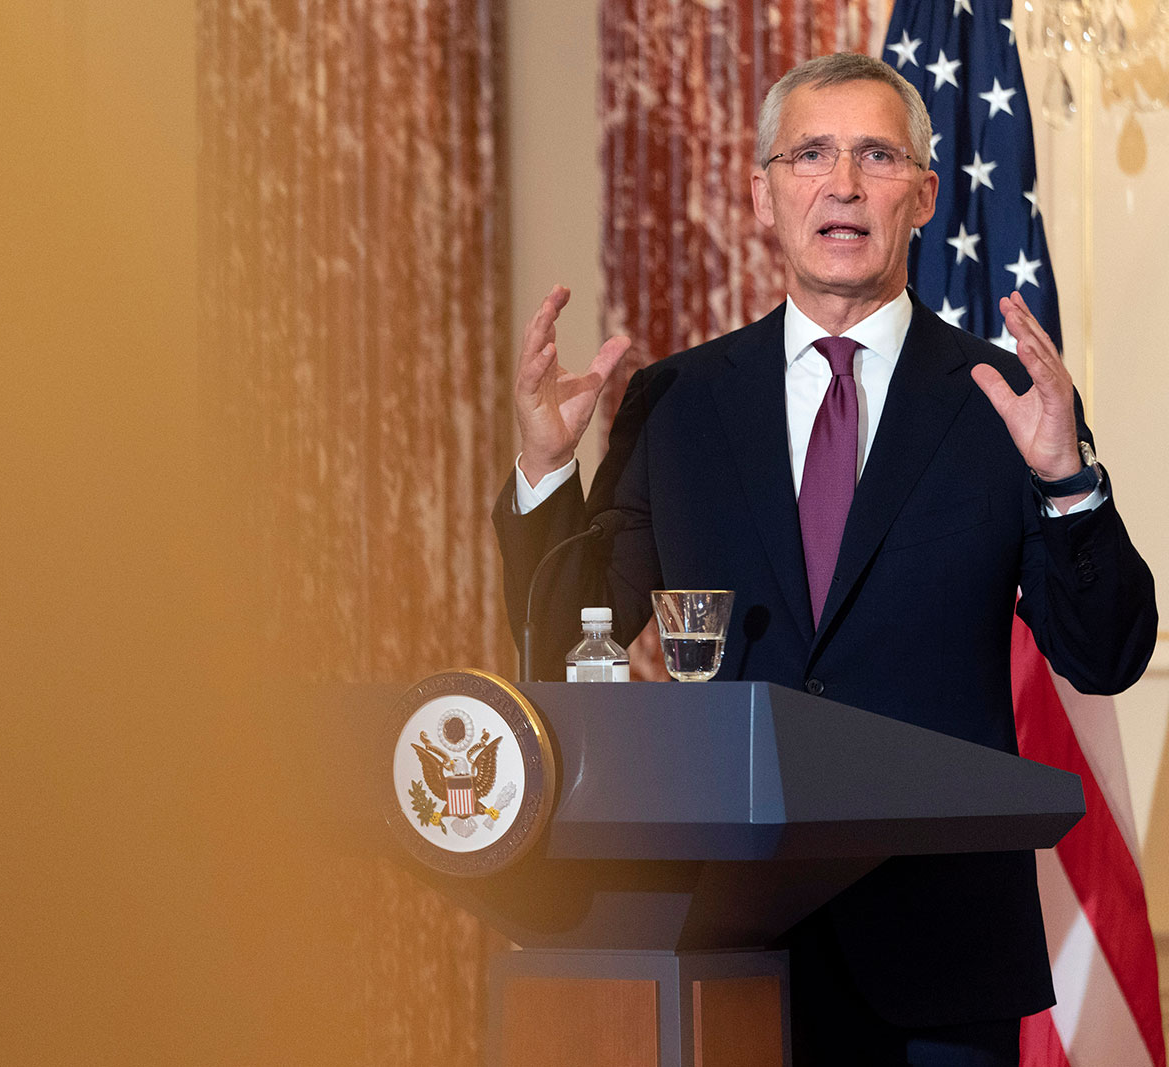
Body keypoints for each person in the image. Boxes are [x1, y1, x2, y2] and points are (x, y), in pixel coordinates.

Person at [492, 52, 1157, 1065]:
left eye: (876, 154)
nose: (842, 183)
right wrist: (544, 472)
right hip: (724, 941)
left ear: (925, 195)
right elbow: (564, 646)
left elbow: (1104, 655)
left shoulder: (1003, 401)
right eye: (811, 152)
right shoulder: (677, 404)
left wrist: (1067, 480)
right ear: (766, 192)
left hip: (939, 955)